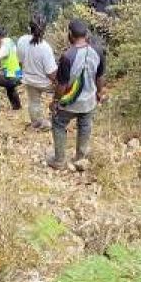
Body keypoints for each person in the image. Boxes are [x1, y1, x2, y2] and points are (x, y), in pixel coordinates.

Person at [47, 19, 106, 169]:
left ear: (70, 35)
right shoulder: (98, 51)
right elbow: (100, 77)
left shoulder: (67, 56)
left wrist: (55, 101)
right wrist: (100, 92)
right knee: (85, 125)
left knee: (58, 123)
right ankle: (81, 157)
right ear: (86, 34)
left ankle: (59, 160)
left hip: (70, 102)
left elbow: (62, 84)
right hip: (89, 101)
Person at [16, 14, 58, 130]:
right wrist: (60, 83)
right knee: (62, 92)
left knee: (33, 102)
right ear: (44, 29)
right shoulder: (45, 47)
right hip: (45, 83)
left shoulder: (21, 41)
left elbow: (20, 63)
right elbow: (51, 73)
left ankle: (37, 123)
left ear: (29, 27)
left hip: (29, 80)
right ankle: (55, 118)